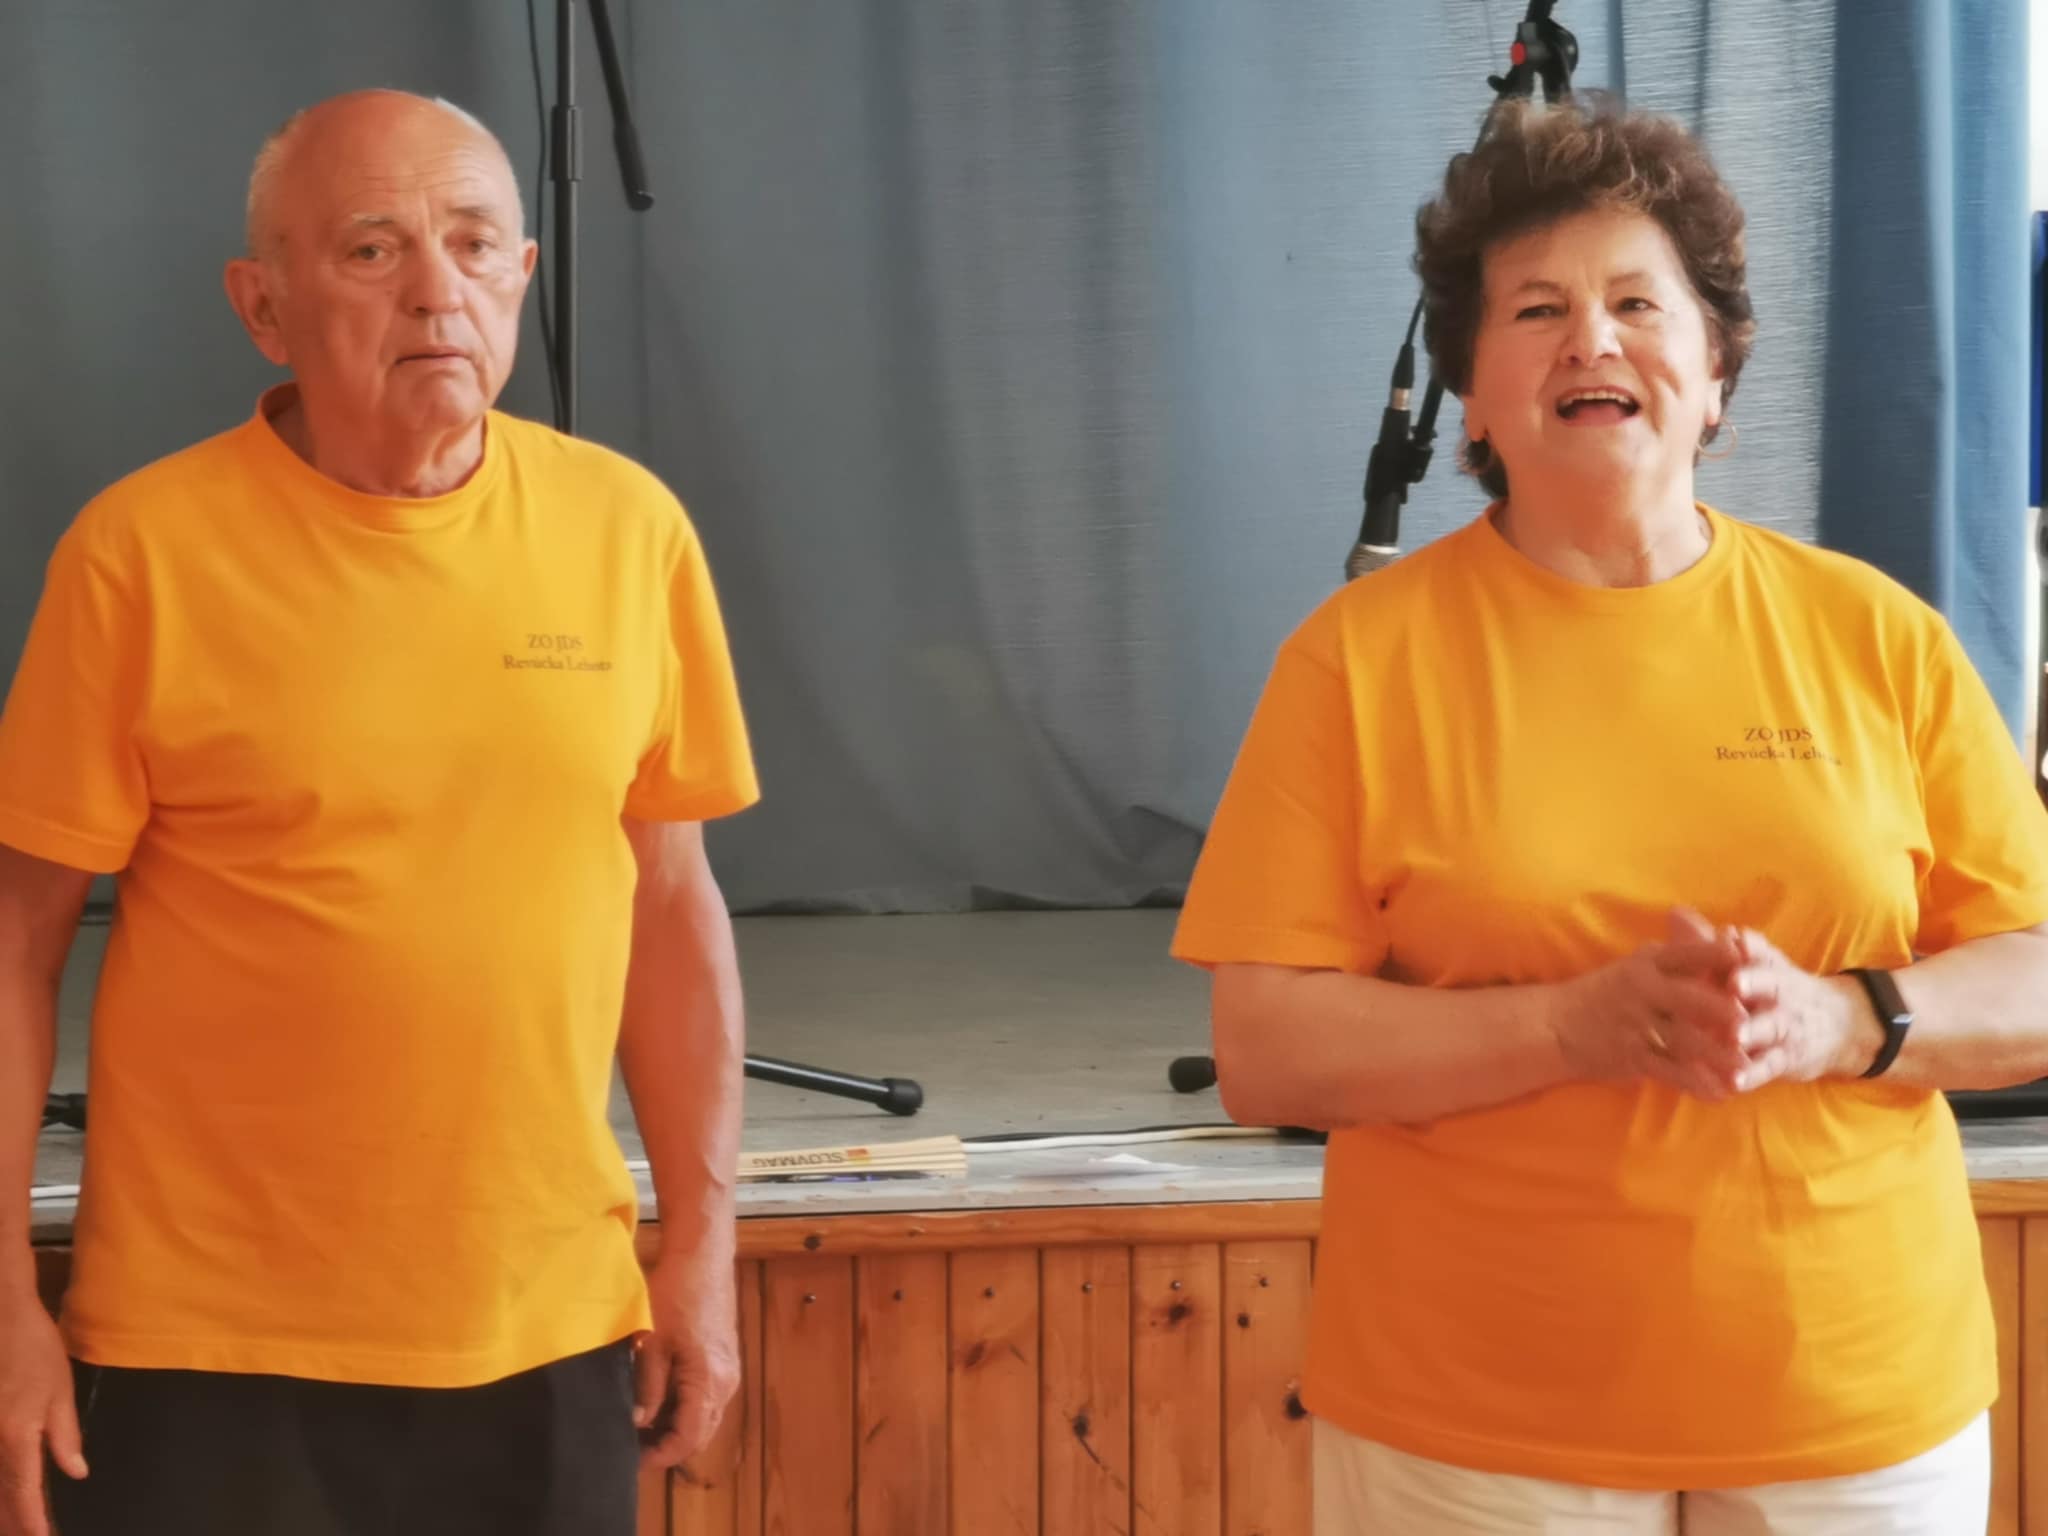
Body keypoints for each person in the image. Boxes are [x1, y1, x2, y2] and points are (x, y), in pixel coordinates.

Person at [1173, 96, 2048, 1535]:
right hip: (1474, 1426)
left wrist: (1843, 1020)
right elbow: (1265, 1049)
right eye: (1537, 310)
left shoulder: (1877, 636)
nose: (1592, 339)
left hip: (1854, 1405)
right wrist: (1568, 1028)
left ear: (1715, 375)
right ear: (1473, 399)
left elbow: (2034, 977)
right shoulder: (1356, 660)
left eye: (1639, 304)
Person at [0, 90, 758, 1536]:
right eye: (371, 249)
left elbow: (672, 909)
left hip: (547, 1328)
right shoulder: (138, 555)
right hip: (208, 1350)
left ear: (522, 276)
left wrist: (703, 1250)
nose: (434, 290)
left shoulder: (628, 530)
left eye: (474, 245)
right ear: (261, 306)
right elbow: (13, 948)